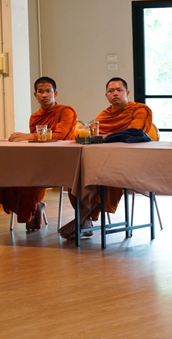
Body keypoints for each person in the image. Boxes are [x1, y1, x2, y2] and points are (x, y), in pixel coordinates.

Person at [57, 77, 155, 239]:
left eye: (119, 90)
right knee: (78, 175)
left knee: (106, 176)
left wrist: (107, 136)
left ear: (127, 93)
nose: (115, 93)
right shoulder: (105, 114)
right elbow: (94, 134)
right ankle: (85, 220)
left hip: (130, 161)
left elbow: (133, 132)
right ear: (106, 95)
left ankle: (80, 218)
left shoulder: (139, 110)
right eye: (111, 91)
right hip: (105, 159)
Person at [0, 77, 77, 232]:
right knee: (11, 170)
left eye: (48, 91)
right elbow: (37, 145)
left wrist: (29, 136)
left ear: (55, 93)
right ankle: (33, 208)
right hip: (41, 159)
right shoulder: (35, 117)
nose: (44, 95)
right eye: (40, 92)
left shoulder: (66, 111)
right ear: (35, 95)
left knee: (29, 173)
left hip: (64, 160)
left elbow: (59, 136)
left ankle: (33, 208)